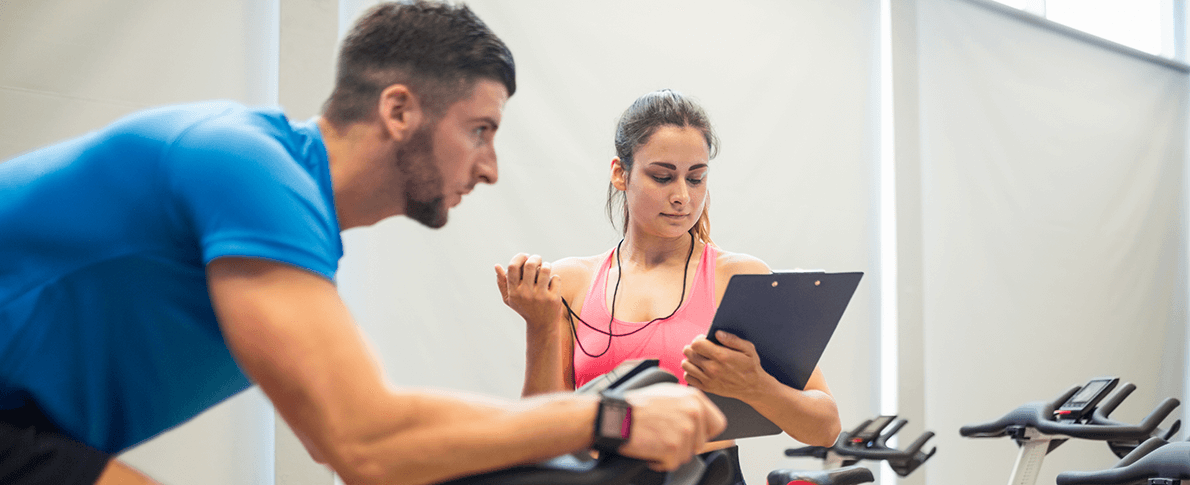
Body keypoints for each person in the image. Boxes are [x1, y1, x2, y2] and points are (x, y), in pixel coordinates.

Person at [0, 3, 726, 485]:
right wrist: (609, 415)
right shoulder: (247, 166)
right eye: (480, 130)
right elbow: (364, 440)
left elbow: (352, 437)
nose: (491, 166)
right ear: (400, 109)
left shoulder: (296, 227)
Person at [495, 89, 843, 484]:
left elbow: (825, 426)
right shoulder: (573, 281)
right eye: (662, 177)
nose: (682, 196)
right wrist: (538, 324)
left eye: (696, 178)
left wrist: (756, 386)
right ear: (620, 173)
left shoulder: (738, 276)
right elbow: (540, 437)